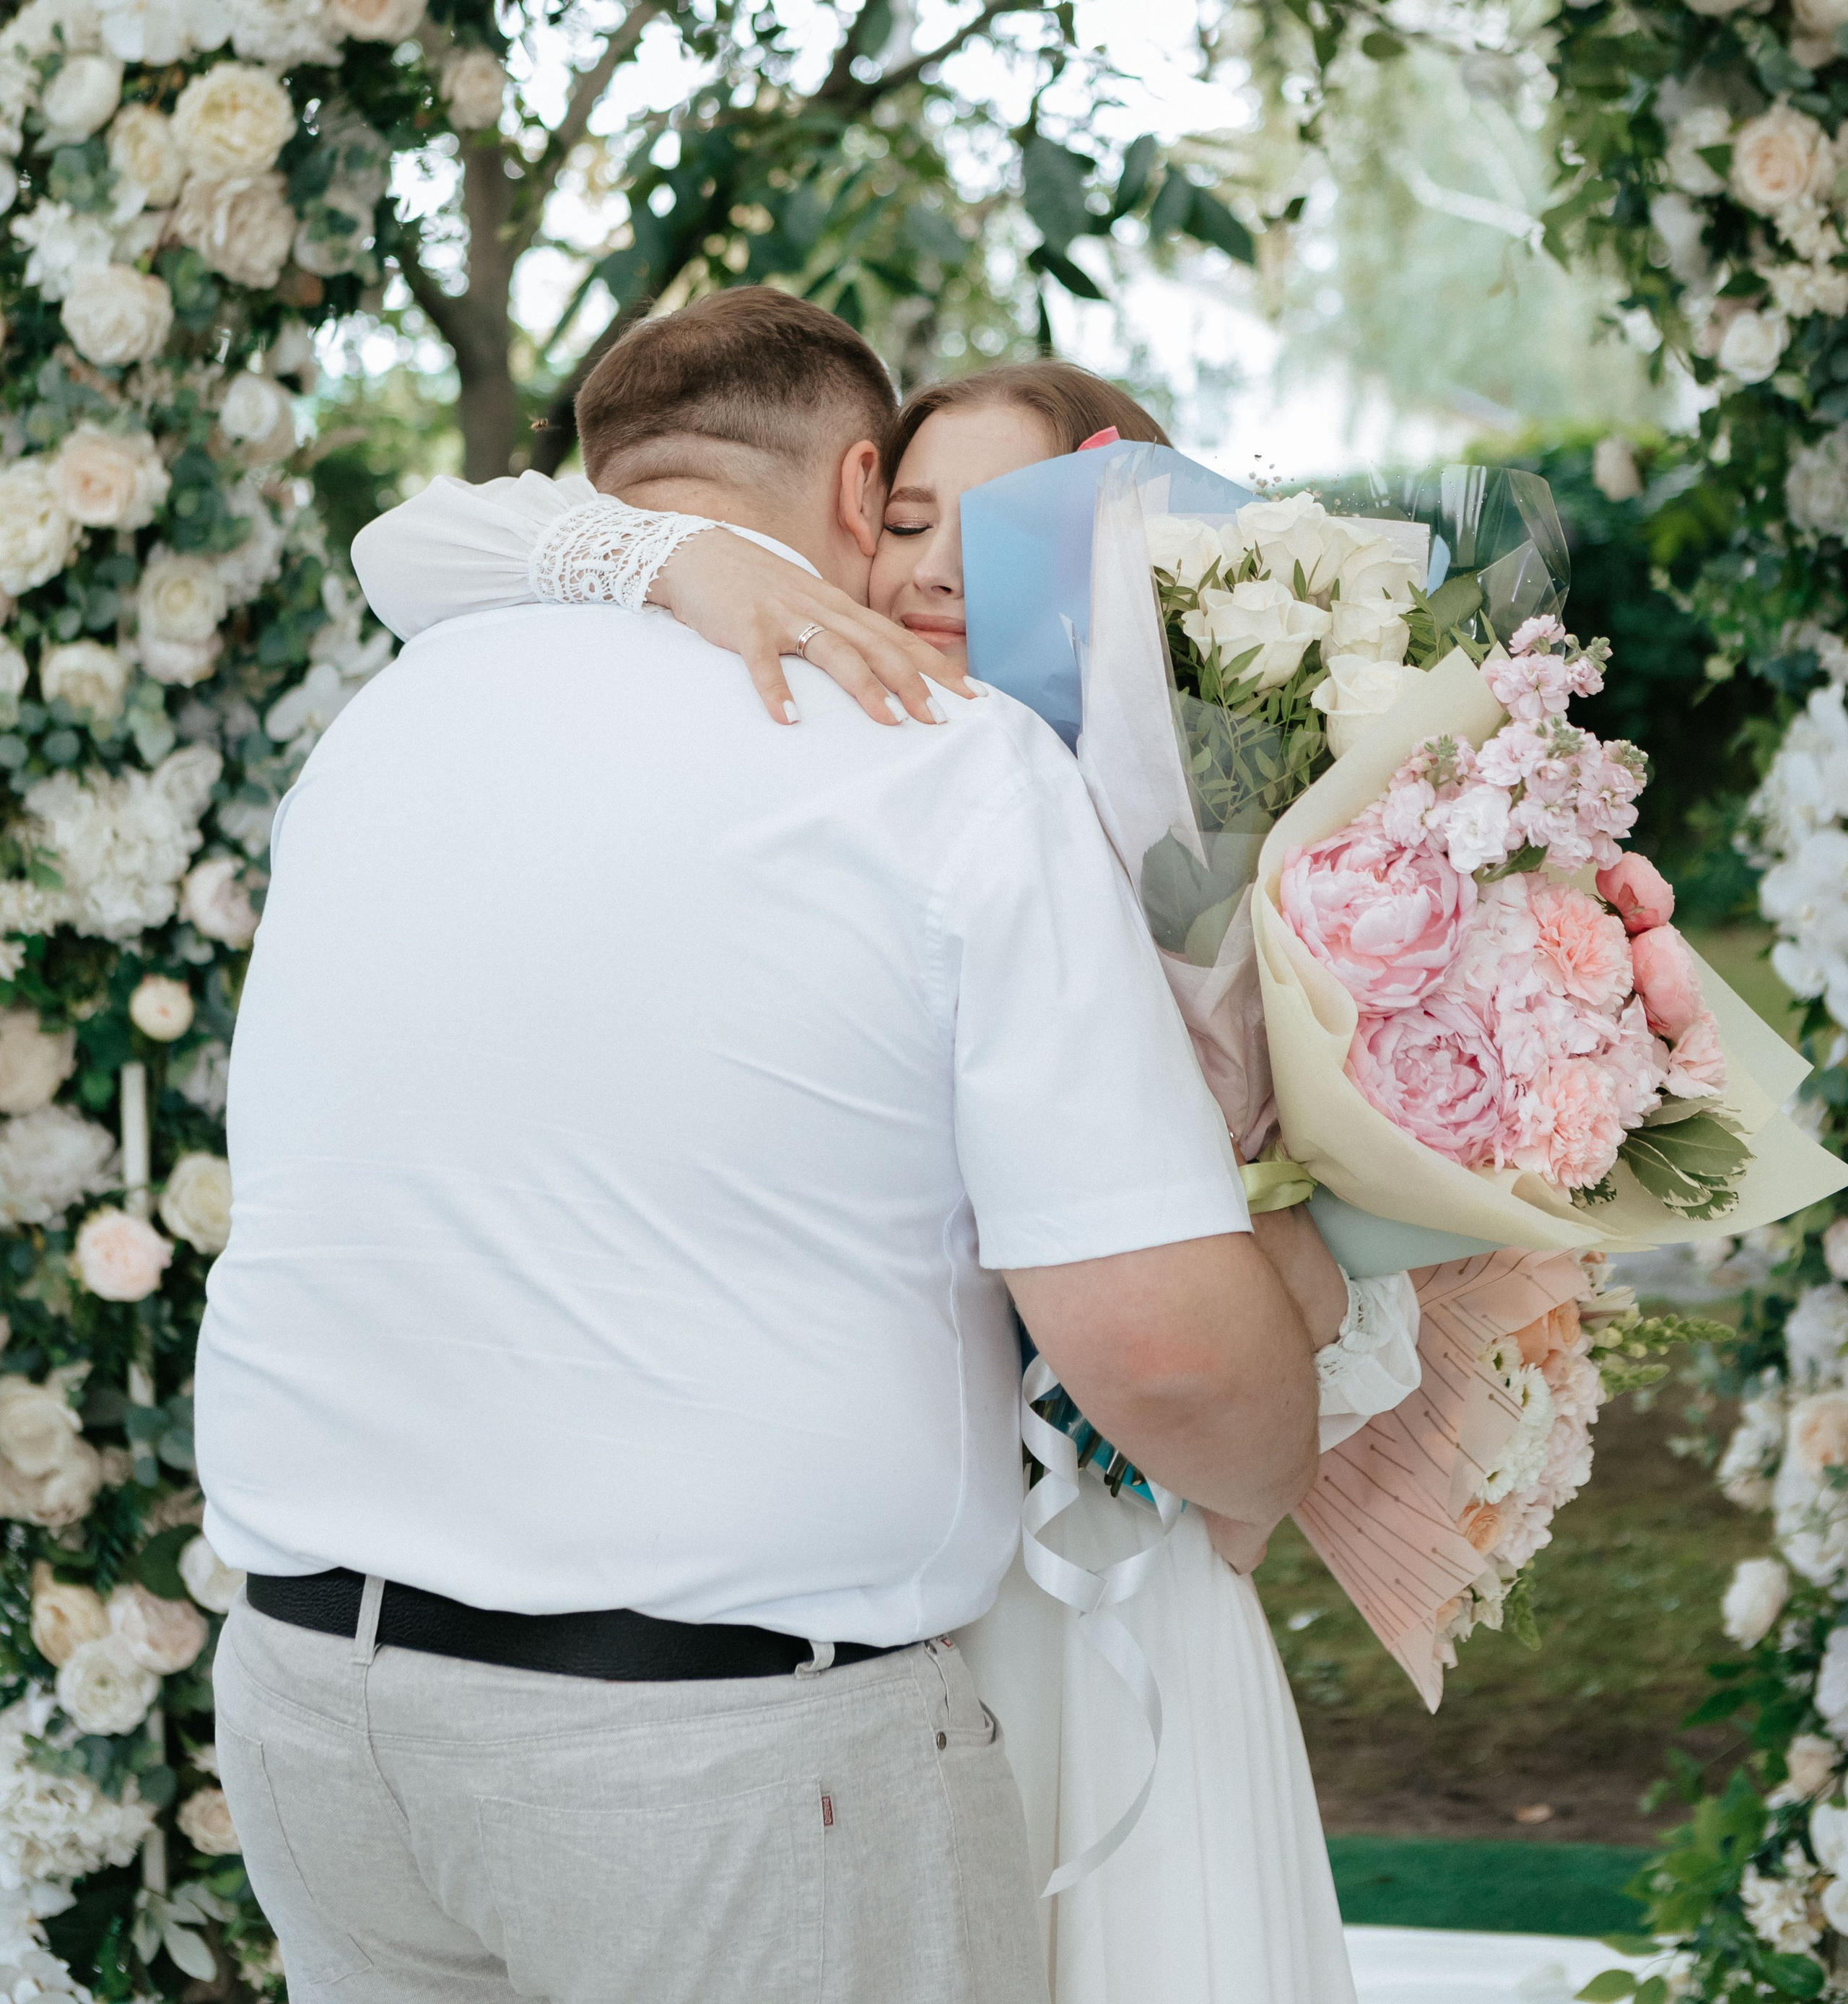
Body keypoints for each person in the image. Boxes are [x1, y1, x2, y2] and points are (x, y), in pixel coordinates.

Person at [196, 287, 1327, 2004]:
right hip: (709, 1763)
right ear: (861, 486)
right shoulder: (935, 759)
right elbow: (1164, 1351)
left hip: (311, 1715)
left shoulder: (381, 723)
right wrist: (1282, 1442)